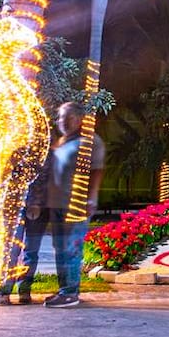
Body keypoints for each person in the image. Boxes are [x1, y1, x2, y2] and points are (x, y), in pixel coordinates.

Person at [45, 102, 105, 308]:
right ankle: (64, 290)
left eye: (68, 117)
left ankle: (70, 293)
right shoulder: (61, 142)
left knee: (71, 248)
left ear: (79, 119)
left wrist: (92, 197)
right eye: (61, 117)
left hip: (76, 203)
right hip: (56, 204)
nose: (63, 121)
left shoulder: (90, 141)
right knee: (59, 248)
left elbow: (97, 171)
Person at [0, 128, 57, 306]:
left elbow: (47, 181)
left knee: (31, 251)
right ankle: (5, 290)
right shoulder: (19, 153)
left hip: (38, 209)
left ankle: (24, 290)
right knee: (12, 250)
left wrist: (36, 203)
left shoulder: (50, 156)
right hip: (16, 207)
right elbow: (8, 179)